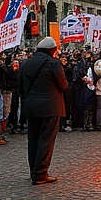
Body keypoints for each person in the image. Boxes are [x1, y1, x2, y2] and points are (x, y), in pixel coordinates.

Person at [18, 37, 68, 185]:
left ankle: (34, 170)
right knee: (46, 140)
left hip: (31, 106)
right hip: (50, 107)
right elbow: (63, 85)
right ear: (52, 50)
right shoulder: (53, 64)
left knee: (33, 139)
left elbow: (20, 87)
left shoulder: (25, 63)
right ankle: (40, 174)